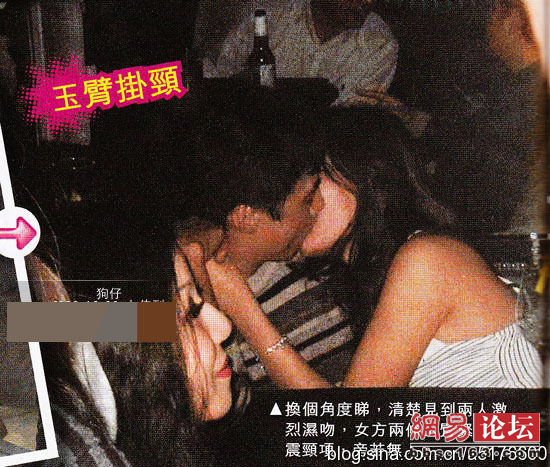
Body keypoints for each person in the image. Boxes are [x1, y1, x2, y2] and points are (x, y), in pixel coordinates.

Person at [185, 107, 542, 389]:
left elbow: (349, 423)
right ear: (246, 215)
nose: (314, 208)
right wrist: (187, 278)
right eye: (307, 194)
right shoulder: (343, 278)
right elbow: (144, 343)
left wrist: (241, 310)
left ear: (367, 182)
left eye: (317, 187)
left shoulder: (421, 263)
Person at [194, 0, 397, 104]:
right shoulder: (269, 17)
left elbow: (348, 120)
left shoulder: (379, 43)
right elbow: (220, 77)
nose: (367, 1)